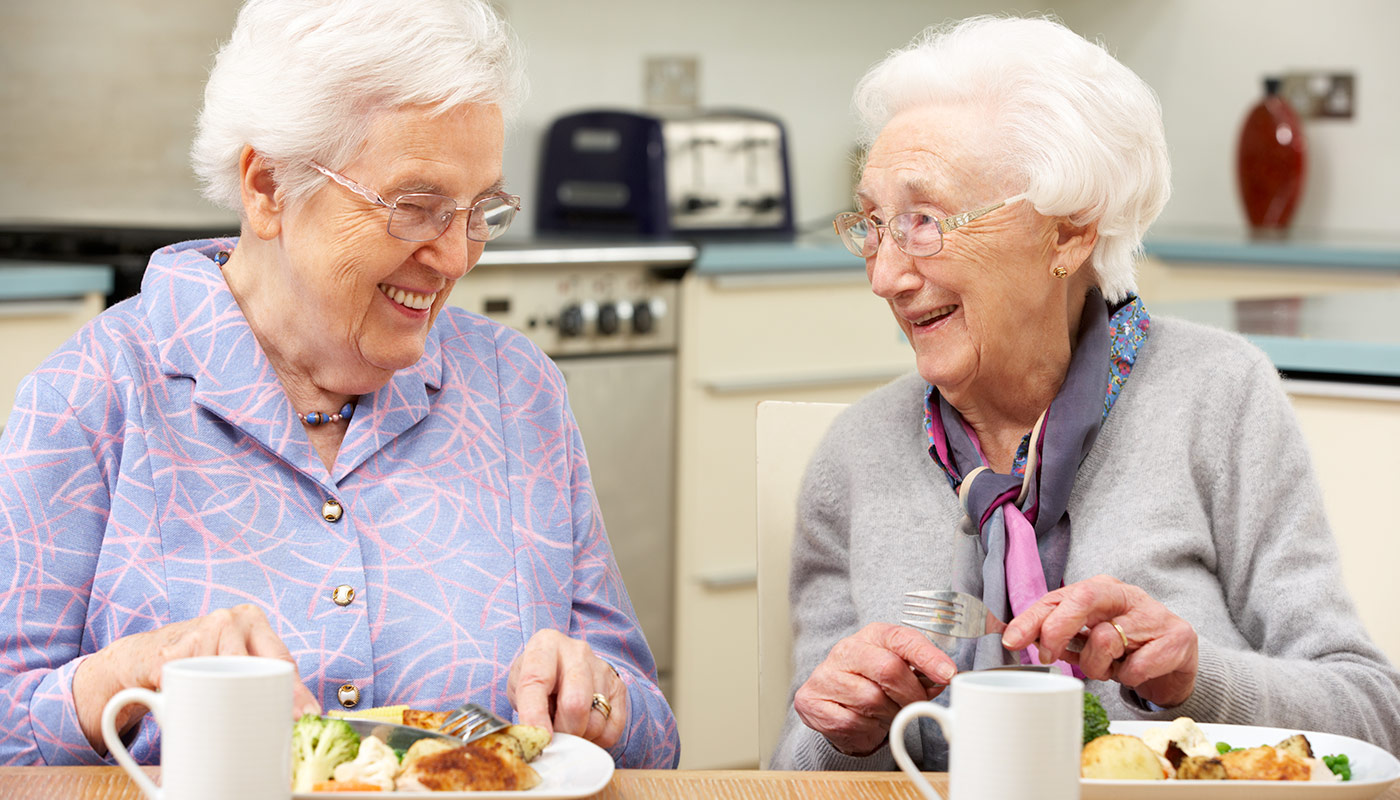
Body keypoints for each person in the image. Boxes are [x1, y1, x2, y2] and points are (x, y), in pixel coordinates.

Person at [0, 0, 678, 769]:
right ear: (268, 188)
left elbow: (654, 736)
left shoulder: (517, 391)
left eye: (478, 209)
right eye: (416, 208)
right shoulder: (92, 394)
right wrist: (119, 678)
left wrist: (602, 699)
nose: (455, 258)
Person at [771, 15, 1400, 771]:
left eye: (926, 221)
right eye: (874, 225)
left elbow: (1373, 715)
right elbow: (794, 769)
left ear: (1067, 235)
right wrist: (848, 728)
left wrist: (1197, 679)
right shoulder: (857, 454)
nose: (885, 276)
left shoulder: (1217, 397)